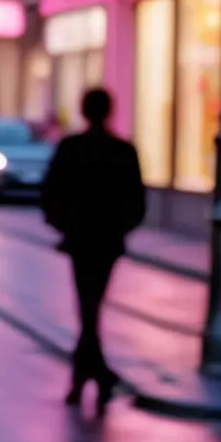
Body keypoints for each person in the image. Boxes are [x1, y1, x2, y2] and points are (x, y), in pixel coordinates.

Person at [40, 87, 146, 411]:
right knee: (90, 309)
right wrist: (120, 228)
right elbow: (137, 201)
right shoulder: (122, 150)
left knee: (87, 309)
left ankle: (88, 377)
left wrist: (65, 225)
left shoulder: (72, 148)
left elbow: (50, 193)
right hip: (107, 242)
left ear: (84, 111)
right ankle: (97, 377)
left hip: (81, 240)